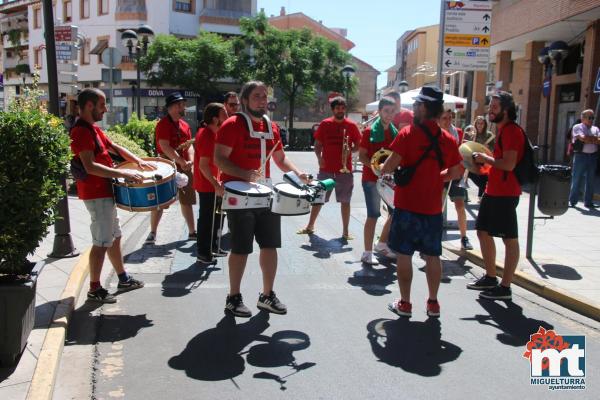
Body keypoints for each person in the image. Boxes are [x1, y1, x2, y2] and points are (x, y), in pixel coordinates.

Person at [214, 81, 310, 318]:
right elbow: (219, 159)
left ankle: (267, 295)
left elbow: (280, 158)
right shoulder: (232, 125)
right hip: (239, 194)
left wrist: (299, 174)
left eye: (264, 97)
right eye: (257, 96)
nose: (262, 101)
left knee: (270, 245)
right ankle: (233, 297)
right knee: (240, 248)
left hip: (265, 193)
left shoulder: (272, 127)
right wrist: (244, 174)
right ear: (245, 100)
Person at [381, 86, 463, 318]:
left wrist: (388, 169)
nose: (414, 108)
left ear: (425, 108)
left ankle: (405, 304)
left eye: (417, 104)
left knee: (404, 255)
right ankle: (433, 303)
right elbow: (457, 171)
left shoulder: (408, 134)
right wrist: (439, 177)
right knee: (433, 255)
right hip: (432, 208)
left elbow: (389, 165)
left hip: (407, 205)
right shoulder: (446, 138)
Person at [70, 88, 152, 303]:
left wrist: (140, 161)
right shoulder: (80, 131)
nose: (105, 109)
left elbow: (115, 147)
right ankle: (95, 289)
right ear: (89, 106)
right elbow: (90, 166)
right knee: (101, 242)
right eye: (102, 105)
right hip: (96, 195)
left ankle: (123, 278)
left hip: (105, 192)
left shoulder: (94, 130)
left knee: (114, 237)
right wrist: (123, 172)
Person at [466, 91, 525, 301]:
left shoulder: (511, 131)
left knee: (510, 239)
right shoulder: (501, 131)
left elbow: (509, 164)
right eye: (490, 106)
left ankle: (505, 286)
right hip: (494, 190)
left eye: (495, 107)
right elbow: (501, 163)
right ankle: (491, 277)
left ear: (506, 110)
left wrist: (485, 158)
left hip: (506, 192)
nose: (490, 110)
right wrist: (485, 163)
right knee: (482, 231)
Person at [296, 96, 361, 240]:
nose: (340, 110)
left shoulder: (351, 125)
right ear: (333, 109)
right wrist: (319, 158)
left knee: (345, 201)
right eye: (337, 108)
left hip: (345, 170)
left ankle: (345, 232)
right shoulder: (325, 124)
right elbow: (318, 145)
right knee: (319, 199)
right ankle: (310, 226)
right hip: (326, 170)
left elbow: (358, 144)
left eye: (343, 108)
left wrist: (351, 150)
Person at [145, 92, 196, 244]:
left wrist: (190, 161)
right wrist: (181, 161)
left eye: (183, 104)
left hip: (183, 165)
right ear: (171, 108)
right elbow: (165, 147)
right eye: (180, 105)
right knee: (160, 201)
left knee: (186, 200)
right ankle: (152, 232)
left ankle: (192, 231)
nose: (183, 107)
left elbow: (189, 146)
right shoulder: (163, 125)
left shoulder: (185, 125)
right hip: (166, 166)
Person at [358, 97, 397, 265]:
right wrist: (376, 167)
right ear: (380, 112)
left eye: (392, 111)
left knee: (396, 212)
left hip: (388, 178)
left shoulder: (395, 132)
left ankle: (381, 243)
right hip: (371, 179)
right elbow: (362, 156)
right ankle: (367, 252)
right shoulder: (369, 132)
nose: (389, 114)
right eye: (386, 111)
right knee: (373, 214)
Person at [194, 103, 229, 265]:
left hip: (212, 183)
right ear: (215, 119)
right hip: (207, 184)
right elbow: (203, 165)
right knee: (207, 219)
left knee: (216, 217)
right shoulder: (207, 135)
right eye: (224, 115)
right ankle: (203, 252)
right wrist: (216, 184)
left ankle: (213, 247)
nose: (227, 118)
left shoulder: (214, 133)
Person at [439, 109, 473, 250]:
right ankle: (434, 236)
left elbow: (465, 152)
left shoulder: (459, 132)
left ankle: (464, 237)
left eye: (450, 117)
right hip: (442, 174)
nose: (448, 121)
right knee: (437, 208)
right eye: (444, 118)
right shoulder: (436, 135)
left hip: (457, 173)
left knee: (460, 205)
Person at [569, 109, 599, 208]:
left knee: (590, 180)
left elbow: (598, 140)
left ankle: (588, 202)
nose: (591, 119)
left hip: (593, 156)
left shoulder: (596, 129)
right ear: (583, 118)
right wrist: (593, 139)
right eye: (589, 117)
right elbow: (582, 138)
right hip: (580, 156)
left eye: (592, 117)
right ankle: (573, 201)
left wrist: (588, 139)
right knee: (576, 178)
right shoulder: (577, 127)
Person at [468, 115, 495, 199]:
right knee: (470, 173)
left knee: (483, 176)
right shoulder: (472, 134)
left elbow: (493, 148)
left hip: (484, 158)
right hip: (474, 158)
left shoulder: (489, 135)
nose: (480, 125)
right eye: (478, 123)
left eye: (482, 123)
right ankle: (485, 191)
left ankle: (481, 195)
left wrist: (487, 147)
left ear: (485, 124)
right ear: (475, 124)